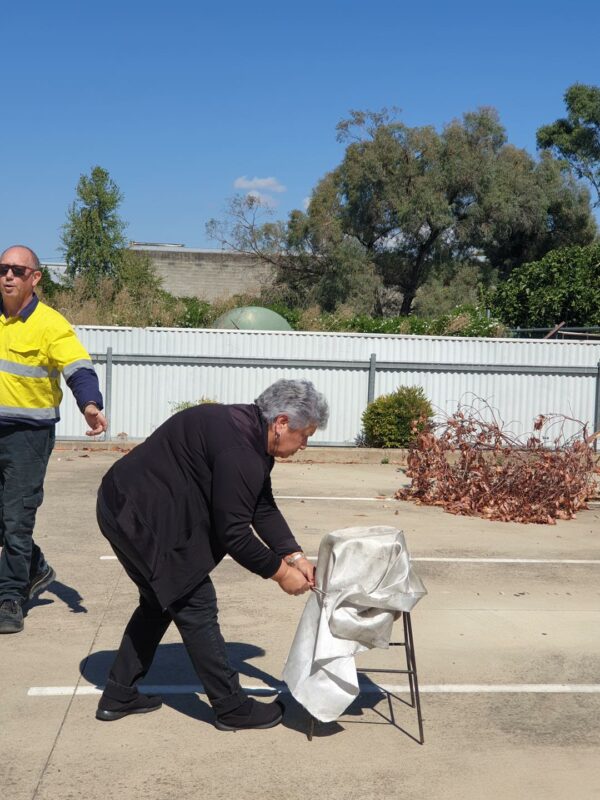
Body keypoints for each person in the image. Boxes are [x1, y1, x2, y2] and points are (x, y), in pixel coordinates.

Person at [95, 378, 328, 731]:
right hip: (138, 517)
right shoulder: (241, 451)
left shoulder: (246, 432)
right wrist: (280, 573)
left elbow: (260, 506)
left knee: (160, 600)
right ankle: (231, 707)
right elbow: (233, 533)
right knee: (196, 603)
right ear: (281, 422)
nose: (305, 444)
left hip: (120, 503)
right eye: (305, 435)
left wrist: (294, 556)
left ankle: (119, 693)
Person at [0, 245, 108, 634]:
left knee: (16, 519)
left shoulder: (50, 324)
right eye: (3, 269)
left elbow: (77, 367)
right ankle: (37, 566)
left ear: (35, 278)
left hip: (28, 436)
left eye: (17, 270)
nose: (8, 276)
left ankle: (10, 596)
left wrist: (90, 404)